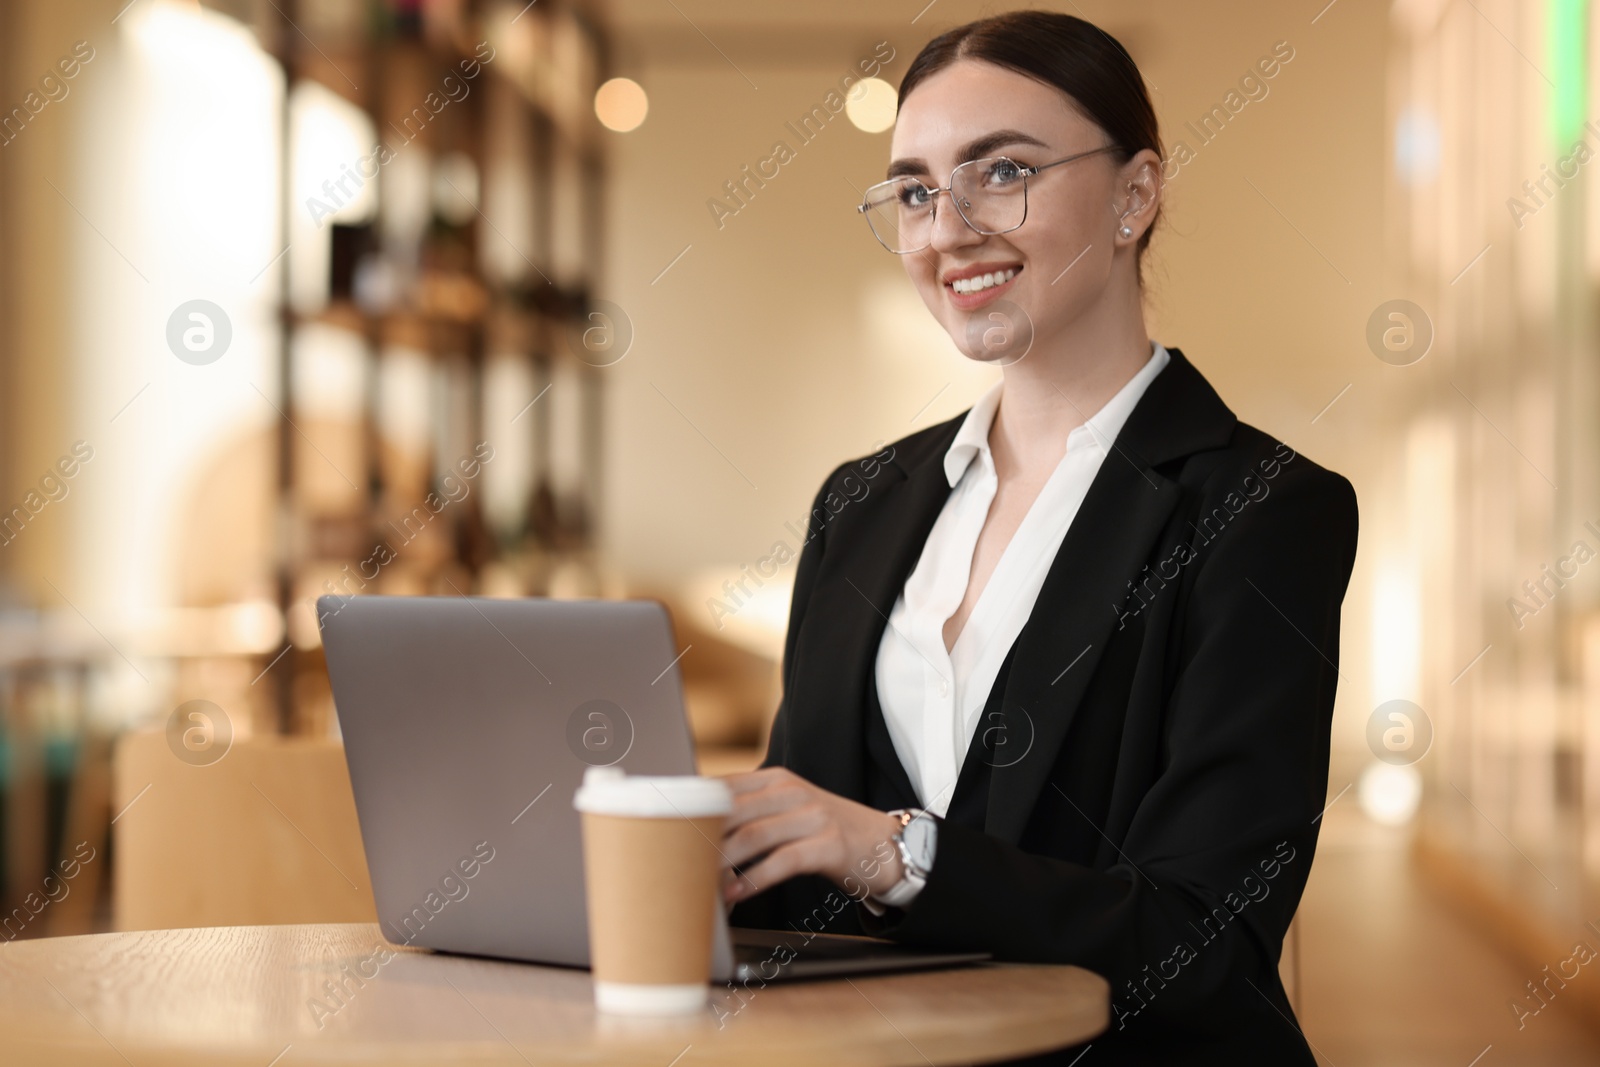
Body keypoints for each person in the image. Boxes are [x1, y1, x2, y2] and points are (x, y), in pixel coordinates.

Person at [720, 10, 1357, 1065]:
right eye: (916, 190)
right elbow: (800, 873)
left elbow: (1202, 937)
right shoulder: (860, 501)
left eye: (1000, 172)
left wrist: (897, 852)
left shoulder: (1260, 507)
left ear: (1134, 193)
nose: (946, 229)